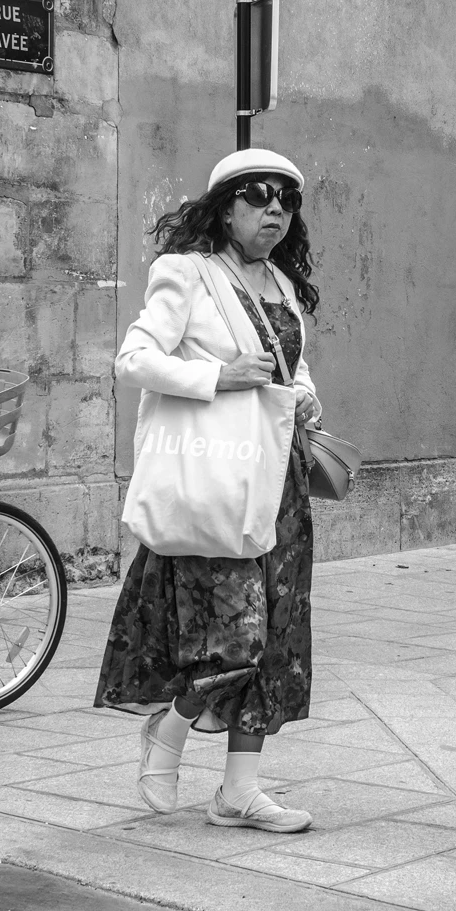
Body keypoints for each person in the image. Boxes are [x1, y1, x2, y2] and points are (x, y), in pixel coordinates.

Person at [97, 149, 323, 834]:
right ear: (225, 208)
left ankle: (238, 792)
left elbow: (291, 368)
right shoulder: (187, 273)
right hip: (216, 477)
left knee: (276, 637)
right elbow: (134, 360)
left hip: (278, 481)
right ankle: (169, 729)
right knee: (236, 637)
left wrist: (306, 396)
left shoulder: (280, 283)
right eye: (258, 196)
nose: (274, 210)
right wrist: (218, 377)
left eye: (286, 200)